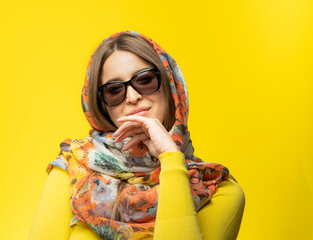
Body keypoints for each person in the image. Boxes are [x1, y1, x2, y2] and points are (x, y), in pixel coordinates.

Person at [29, 30, 245, 240]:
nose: (132, 97)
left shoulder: (216, 189)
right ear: (103, 106)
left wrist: (170, 157)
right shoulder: (73, 170)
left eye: (144, 80)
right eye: (114, 90)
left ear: (170, 85)